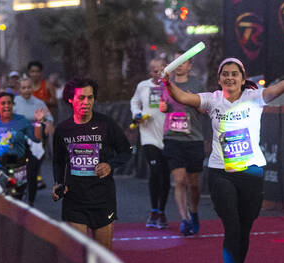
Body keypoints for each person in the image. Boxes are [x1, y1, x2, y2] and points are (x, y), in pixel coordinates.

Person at [162, 59, 284, 263]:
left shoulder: (254, 97)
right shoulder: (212, 99)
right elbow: (184, 97)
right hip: (221, 172)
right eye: (224, 74)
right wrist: (167, 83)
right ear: (219, 79)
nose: (229, 78)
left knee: (245, 228)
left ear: (242, 77)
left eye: (234, 74)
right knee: (232, 226)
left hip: (251, 171)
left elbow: (274, 91)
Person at [50, 77, 132, 250]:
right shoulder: (63, 130)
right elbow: (58, 161)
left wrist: (110, 165)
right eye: (81, 98)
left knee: (103, 255)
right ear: (71, 99)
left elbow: (126, 151)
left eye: (90, 97)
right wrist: (58, 182)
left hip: (102, 198)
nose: (86, 102)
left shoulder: (106, 124)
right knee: (78, 254)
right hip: (74, 199)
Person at [161, 50, 207, 236]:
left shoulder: (197, 84)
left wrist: (194, 101)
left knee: (193, 183)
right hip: (172, 138)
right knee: (179, 180)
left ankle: (193, 211)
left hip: (194, 138)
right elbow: (163, 106)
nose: (179, 64)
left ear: (189, 65)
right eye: (176, 60)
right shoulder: (166, 84)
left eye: (184, 61)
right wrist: (164, 108)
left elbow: (205, 109)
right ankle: (184, 218)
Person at [0, 92, 47, 205]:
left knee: (17, 199)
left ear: (12, 105)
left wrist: (38, 122)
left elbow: (37, 139)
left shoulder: (22, 121)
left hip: (18, 167)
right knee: (0, 199)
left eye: (9, 103)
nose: (6, 106)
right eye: (3, 103)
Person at [130, 56, 170, 229]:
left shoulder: (170, 86)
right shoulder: (143, 86)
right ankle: (153, 210)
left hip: (169, 136)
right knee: (155, 171)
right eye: (154, 69)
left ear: (166, 69)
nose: (157, 72)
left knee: (166, 176)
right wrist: (136, 113)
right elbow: (134, 101)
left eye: (160, 69)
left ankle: (161, 211)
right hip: (148, 136)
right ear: (149, 71)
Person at [14, 76, 53, 202]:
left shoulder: (39, 103)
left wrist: (47, 126)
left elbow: (49, 119)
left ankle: (30, 201)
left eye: (29, 87)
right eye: (23, 88)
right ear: (19, 89)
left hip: (35, 142)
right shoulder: (14, 102)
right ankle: (18, 199)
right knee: (19, 173)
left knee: (32, 172)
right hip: (18, 142)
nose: (26, 90)